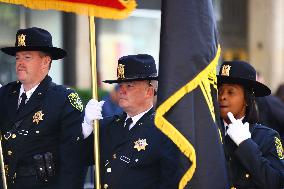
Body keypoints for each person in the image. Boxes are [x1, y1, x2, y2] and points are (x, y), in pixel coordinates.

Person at [0, 27, 85, 189]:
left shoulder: (63, 99)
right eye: (18, 58)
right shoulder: (4, 95)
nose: (20, 64)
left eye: (27, 57)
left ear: (45, 61)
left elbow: (72, 161)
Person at [82, 54, 179, 189]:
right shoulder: (108, 126)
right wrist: (86, 128)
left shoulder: (164, 131)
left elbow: (170, 181)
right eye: (120, 85)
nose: (121, 90)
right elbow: (80, 158)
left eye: (129, 85)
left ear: (149, 92)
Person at [217, 60, 284, 189]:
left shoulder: (267, 137)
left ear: (247, 99)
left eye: (230, 92)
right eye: (220, 92)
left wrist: (246, 144)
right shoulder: (209, 133)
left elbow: (276, 183)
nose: (222, 97)